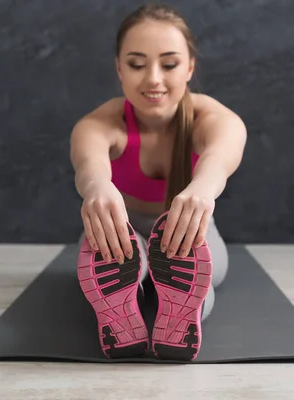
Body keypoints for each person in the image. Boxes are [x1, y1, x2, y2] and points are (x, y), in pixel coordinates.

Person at [71, 3, 246, 361]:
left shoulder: (213, 118)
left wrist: (202, 190)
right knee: (116, 256)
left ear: (189, 68)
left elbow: (220, 156)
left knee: (205, 273)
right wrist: (96, 188)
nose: (153, 78)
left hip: (187, 225)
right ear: (119, 68)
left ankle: (172, 303)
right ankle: (133, 291)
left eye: (169, 64)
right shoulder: (99, 124)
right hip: (119, 228)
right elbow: (89, 164)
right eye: (137, 64)